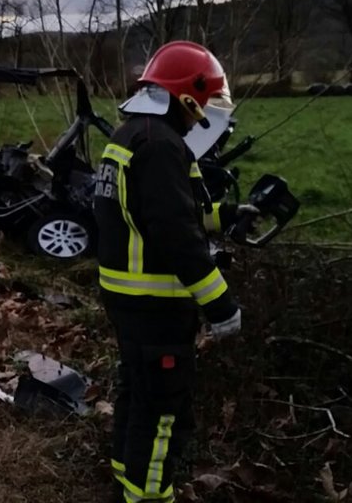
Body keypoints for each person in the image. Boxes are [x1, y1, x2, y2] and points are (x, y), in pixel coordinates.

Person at [93, 40, 246, 503]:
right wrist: (221, 305)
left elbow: (160, 211)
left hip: (129, 302)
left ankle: (125, 479)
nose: (207, 114)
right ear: (186, 97)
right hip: (157, 308)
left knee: (137, 395)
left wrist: (227, 215)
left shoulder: (130, 136)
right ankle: (150, 496)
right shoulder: (161, 146)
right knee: (164, 412)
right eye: (205, 102)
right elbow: (175, 234)